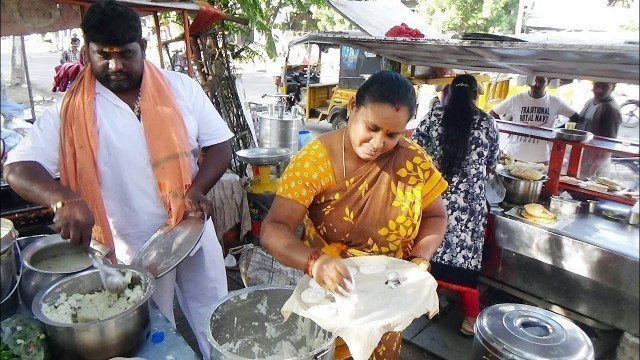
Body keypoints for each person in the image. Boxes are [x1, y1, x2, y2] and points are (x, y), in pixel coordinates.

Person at [3, 1, 232, 358]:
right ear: (86, 51)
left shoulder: (180, 88)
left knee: (215, 315)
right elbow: (17, 167)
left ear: (142, 48)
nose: (115, 66)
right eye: (102, 55)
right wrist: (64, 199)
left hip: (190, 231)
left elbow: (220, 143)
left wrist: (198, 188)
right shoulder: (70, 110)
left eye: (125, 54)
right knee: (156, 331)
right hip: (133, 250)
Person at [260, 70, 448, 359]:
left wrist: (420, 256)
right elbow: (274, 229)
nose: (377, 142)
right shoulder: (315, 162)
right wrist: (315, 263)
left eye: (392, 134)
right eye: (371, 127)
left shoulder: (413, 161)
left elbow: (435, 216)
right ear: (351, 109)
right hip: (331, 297)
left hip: (386, 298)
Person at [411, 74, 500, 336]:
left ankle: (427, 304)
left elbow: (414, 151)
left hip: (435, 198)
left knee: (432, 253)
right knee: (465, 262)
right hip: (470, 205)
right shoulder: (486, 122)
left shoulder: (434, 117)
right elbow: (492, 162)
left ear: (449, 92)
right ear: (475, 95)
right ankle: (470, 320)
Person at [490, 76, 579, 163]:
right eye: (534, 81)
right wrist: (508, 129)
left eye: (541, 81)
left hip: (540, 158)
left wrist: (557, 133)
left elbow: (575, 116)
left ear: (547, 82)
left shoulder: (555, 101)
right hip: (514, 155)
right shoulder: (516, 99)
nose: (536, 84)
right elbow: (493, 113)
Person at [576, 82, 622, 178]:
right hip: (583, 160)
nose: (599, 90)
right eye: (597, 85)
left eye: (605, 87)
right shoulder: (590, 102)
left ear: (613, 88)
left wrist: (593, 171)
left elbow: (609, 143)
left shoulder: (611, 109)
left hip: (595, 166)